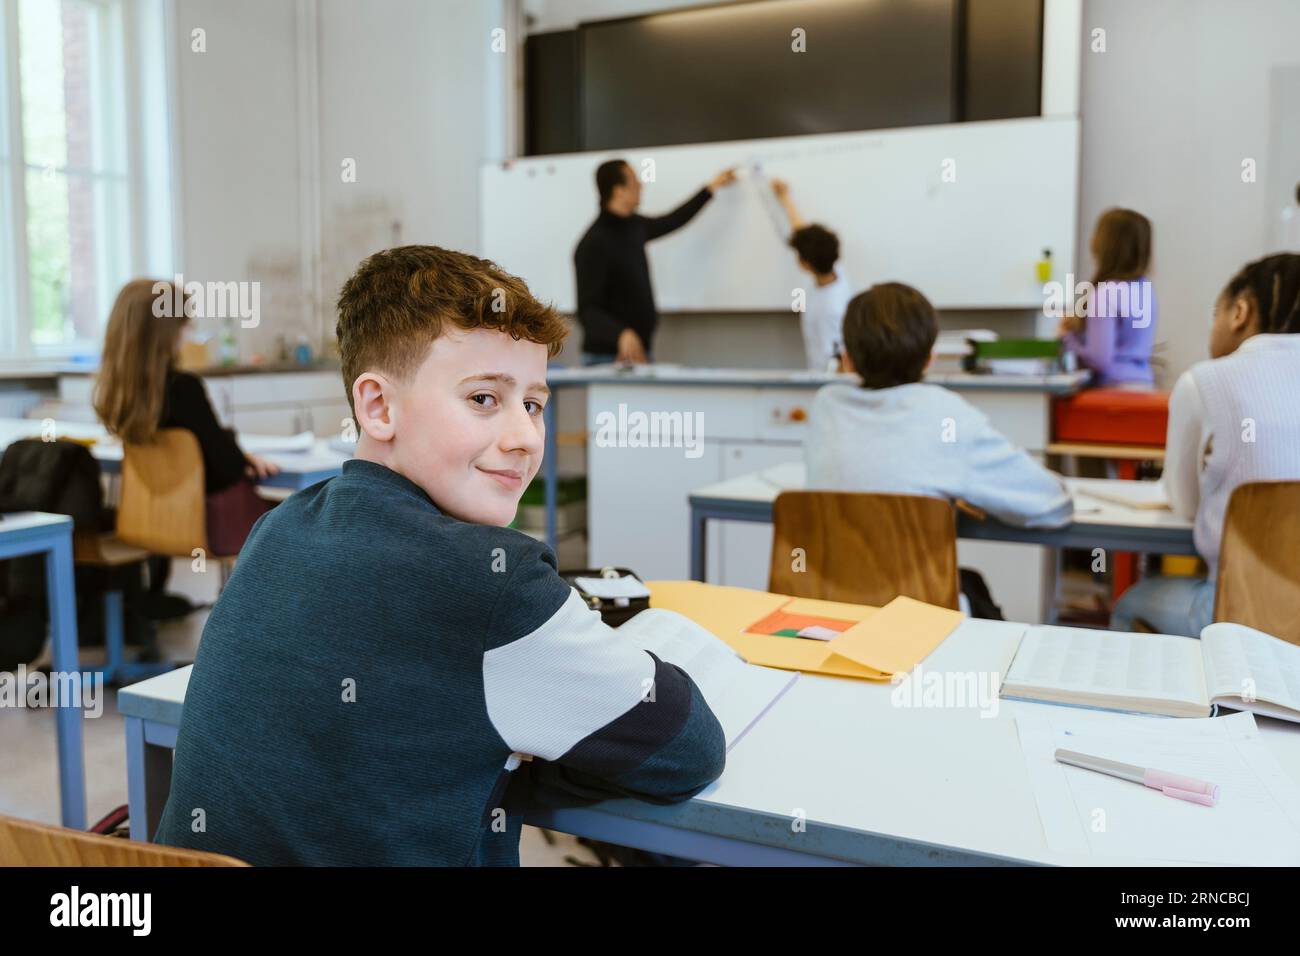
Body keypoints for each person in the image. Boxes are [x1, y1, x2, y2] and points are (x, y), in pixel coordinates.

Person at [155, 246, 726, 865]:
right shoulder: (493, 582)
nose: (525, 437)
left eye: (533, 404)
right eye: (484, 398)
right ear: (378, 407)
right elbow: (689, 751)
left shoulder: (278, 526)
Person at [1111, 253, 1300, 636]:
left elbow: (1185, 504)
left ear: (1240, 313)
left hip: (1239, 612)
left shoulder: (1206, 382)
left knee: (1130, 604)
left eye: (1217, 313)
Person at [574, 159, 736, 364]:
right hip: (607, 357)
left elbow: (673, 220)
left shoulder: (634, 227)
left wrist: (710, 188)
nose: (642, 185)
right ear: (619, 191)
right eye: (634, 181)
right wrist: (620, 334)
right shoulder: (593, 243)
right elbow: (587, 311)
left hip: (640, 353)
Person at [1058, 208, 1157, 386]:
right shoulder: (1144, 289)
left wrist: (1068, 338)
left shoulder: (1105, 294)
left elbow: (1099, 360)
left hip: (1113, 391)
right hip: (1143, 385)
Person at [771, 178, 853, 371]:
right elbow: (804, 236)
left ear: (806, 264)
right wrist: (785, 198)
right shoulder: (836, 270)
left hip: (823, 378)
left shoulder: (831, 308)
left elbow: (837, 360)